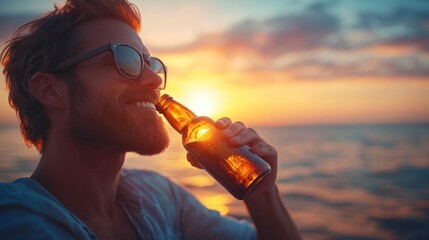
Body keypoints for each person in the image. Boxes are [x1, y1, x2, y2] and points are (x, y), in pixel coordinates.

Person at [0, 0, 302, 239]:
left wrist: (263, 195)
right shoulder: (15, 220)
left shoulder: (161, 195)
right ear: (50, 89)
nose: (153, 80)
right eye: (125, 59)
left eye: (150, 63)